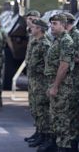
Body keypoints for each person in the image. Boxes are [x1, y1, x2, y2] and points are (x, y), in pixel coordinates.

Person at [38, 14, 74, 152]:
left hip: (62, 86)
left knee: (62, 118)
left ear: (63, 25)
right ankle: (56, 145)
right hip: (54, 83)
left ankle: (63, 147)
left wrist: (55, 86)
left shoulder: (66, 41)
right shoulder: (57, 40)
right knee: (55, 116)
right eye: (51, 23)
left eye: (55, 23)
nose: (51, 26)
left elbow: (64, 65)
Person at [25, 19, 51, 148]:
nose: (31, 29)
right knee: (36, 109)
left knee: (43, 110)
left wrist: (37, 69)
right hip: (34, 81)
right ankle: (39, 133)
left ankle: (46, 137)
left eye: (34, 27)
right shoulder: (36, 42)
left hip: (42, 82)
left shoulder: (45, 44)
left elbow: (49, 66)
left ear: (40, 29)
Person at [63, 12, 79, 151]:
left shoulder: (77, 36)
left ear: (67, 23)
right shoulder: (66, 36)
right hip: (67, 78)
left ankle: (74, 143)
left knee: (73, 113)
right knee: (66, 112)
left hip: (74, 78)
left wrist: (64, 61)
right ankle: (67, 141)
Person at [23, 10, 42, 143]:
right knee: (34, 106)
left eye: (33, 18)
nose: (30, 20)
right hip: (32, 77)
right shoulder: (31, 34)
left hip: (40, 79)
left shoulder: (41, 36)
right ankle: (38, 131)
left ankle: (43, 134)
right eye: (28, 18)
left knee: (41, 107)